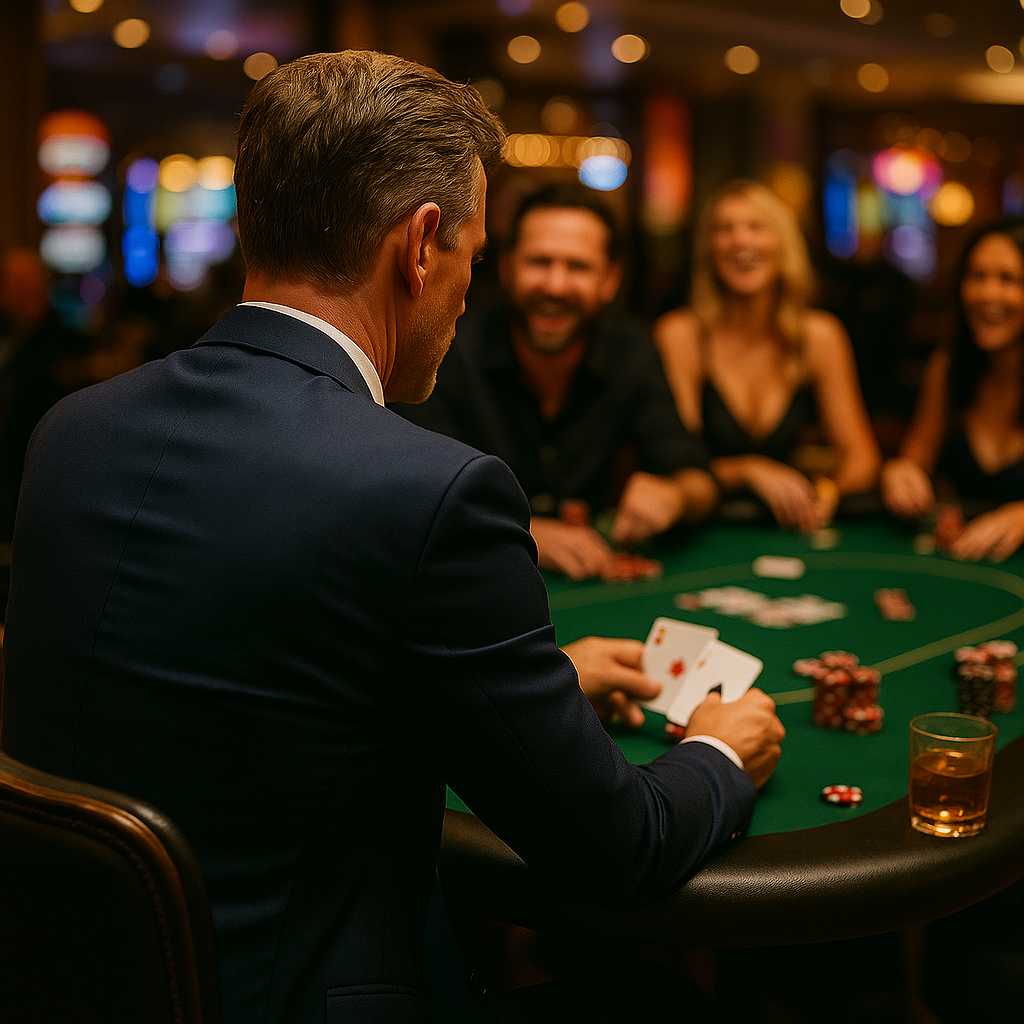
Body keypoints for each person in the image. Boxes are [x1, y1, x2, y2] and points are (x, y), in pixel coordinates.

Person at [0, 52, 784, 1024]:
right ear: (420, 247)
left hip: (63, 988)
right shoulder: (433, 491)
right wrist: (715, 752)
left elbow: (245, 684)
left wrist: (527, 690)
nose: (468, 293)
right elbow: (619, 849)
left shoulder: (70, 433)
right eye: (475, 258)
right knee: (665, 1004)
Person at [397, 183, 718, 581]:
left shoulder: (631, 351)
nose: (555, 286)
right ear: (507, 268)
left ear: (610, 280)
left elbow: (698, 479)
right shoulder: (449, 350)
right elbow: (409, 491)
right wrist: (522, 532)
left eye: (578, 267)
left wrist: (676, 495)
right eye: (540, 262)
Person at [654, 179, 880, 534]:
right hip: (703, 528)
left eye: (756, 227)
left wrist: (827, 492)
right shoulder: (681, 335)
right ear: (709, 249)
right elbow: (675, 460)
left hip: (787, 527)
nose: (740, 241)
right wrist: (747, 470)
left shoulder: (819, 336)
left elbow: (862, 457)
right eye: (725, 229)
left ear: (784, 244)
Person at [881, 218, 1024, 562]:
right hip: (968, 562)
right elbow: (916, 458)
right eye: (977, 276)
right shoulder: (948, 368)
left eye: (1008, 279)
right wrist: (900, 472)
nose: (987, 294)